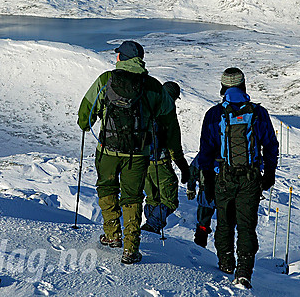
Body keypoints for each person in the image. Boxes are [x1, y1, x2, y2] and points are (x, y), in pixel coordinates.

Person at [77, 40, 186, 264]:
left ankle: (112, 235)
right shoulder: (154, 86)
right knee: (133, 197)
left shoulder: (106, 80)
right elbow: (169, 123)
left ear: (121, 58)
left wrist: (86, 124)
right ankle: (130, 249)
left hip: (107, 150)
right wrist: (177, 156)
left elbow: (85, 116)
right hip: (138, 154)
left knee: (107, 188)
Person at [194, 67, 278, 289]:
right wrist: (269, 174)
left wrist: (207, 181)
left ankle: (225, 263)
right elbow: (270, 146)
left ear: (223, 88)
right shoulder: (258, 113)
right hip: (250, 179)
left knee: (224, 224)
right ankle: (243, 271)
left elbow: (205, 152)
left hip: (224, 178)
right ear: (244, 86)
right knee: (246, 226)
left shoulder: (214, 115)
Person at [142, 81, 190, 235]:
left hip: (141, 162)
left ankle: (150, 230)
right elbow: (174, 146)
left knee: (151, 198)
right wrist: (184, 168)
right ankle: (151, 227)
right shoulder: (167, 111)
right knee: (169, 200)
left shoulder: (146, 104)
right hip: (160, 163)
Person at [186, 156, 216, 247]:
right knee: (226, 224)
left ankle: (200, 249)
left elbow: (192, 171)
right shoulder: (229, 150)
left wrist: (191, 188)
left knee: (203, 222)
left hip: (206, 193)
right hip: (227, 193)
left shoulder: (205, 152)